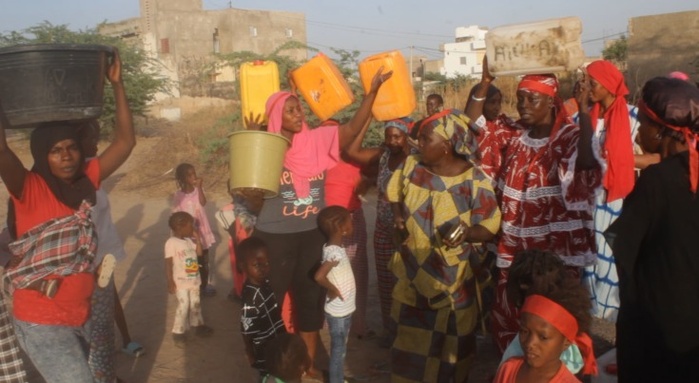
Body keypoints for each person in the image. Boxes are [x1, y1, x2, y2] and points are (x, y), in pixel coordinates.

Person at [243, 66, 392, 378]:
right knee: (271, 307)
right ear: (276, 116)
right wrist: (253, 188)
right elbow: (256, 204)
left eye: (299, 108)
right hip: (275, 237)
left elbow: (351, 129)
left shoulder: (317, 140)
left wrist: (372, 92)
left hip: (311, 235)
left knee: (310, 302)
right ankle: (272, 370)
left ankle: (305, 367)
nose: (299, 114)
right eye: (291, 110)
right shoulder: (264, 147)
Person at [0, 48, 135, 383]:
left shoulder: (85, 181)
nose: (66, 157)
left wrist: (116, 85)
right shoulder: (28, 189)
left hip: (81, 312)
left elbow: (125, 142)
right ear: (41, 155)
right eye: (55, 151)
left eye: (71, 147)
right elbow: (1, 150)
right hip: (41, 320)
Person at [470, 63, 601, 353]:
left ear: (552, 102)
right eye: (520, 99)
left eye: (532, 99)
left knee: (551, 317)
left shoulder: (568, 137)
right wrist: (485, 81)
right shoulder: (514, 134)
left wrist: (583, 110)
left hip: (555, 251)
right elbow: (472, 125)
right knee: (510, 311)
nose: (523, 105)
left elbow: (588, 166)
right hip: (515, 246)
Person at [387, 109, 501, 382]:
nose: (419, 144)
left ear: (447, 146)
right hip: (412, 278)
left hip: (453, 282)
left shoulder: (474, 181)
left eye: (426, 139)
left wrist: (468, 232)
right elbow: (394, 194)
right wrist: (398, 216)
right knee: (409, 353)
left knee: (451, 356)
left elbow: (489, 227)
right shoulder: (412, 166)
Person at [605, 77, 699, 382]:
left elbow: (622, 243)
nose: (638, 131)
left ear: (659, 130)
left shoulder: (656, 182)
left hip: (657, 324)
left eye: (642, 122)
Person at [577, 60, 658, 322]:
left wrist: (621, 160)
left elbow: (657, 157)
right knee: (592, 253)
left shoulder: (635, 118)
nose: (588, 88)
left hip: (620, 198)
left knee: (614, 254)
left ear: (609, 85)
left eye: (593, 83)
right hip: (590, 198)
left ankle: (614, 309)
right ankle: (596, 306)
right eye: (586, 82)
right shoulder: (586, 118)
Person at [342, 116, 414, 347]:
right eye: (388, 136)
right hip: (383, 228)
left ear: (406, 136)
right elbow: (352, 150)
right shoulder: (383, 155)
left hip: (408, 230)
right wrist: (366, 119)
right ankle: (390, 332)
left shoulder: (415, 159)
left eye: (397, 136)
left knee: (409, 280)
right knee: (385, 282)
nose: (392, 141)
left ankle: (409, 333)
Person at [493, 287, 597, 383]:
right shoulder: (508, 369)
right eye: (524, 331)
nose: (530, 343)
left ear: (566, 342)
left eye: (543, 337)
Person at [324, 156, 370, 339]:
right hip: (333, 219)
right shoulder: (324, 161)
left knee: (349, 271)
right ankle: (351, 323)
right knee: (343, 271)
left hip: (345, 219)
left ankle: (355, 322)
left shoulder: (354, 161)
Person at [314, 206, 356, 383]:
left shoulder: (334, 248)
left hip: (344, 309)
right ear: (342, 228)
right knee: (338, 352)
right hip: (339, 313)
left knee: (341, 348)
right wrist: (332, 289)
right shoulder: (335, 253)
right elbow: (319, 276)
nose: (352, 223)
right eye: (349, 220)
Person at [165, 211, 214, 348]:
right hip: (180, 281)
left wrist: (197, 239)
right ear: (180, 227)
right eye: (190, 226)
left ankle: (197, 324)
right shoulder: (171, 242)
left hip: (194, 280)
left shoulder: (187, 241)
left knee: (196, 303)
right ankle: (178, 331)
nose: (193, 229)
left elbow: (199, 254)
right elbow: (168, 264)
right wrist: (170, 281)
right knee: (184, 304)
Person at [238, 237, 286, 378]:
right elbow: (246, 329)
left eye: (266, 263)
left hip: (277, 339)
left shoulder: (264, 282)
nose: (263, 268)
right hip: (264, 347)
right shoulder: (251, 298)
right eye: (257, 265)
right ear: (242, 266)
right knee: (268, 374)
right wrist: (250, 351)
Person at [172, 162, 216, 297]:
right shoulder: (178, 195)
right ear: (182, 179)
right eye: (189, 175)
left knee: (204, 260)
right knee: (191, 260)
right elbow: (176, 214)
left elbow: (203, 202)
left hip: (201, 232)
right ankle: (194, 286)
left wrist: (200, 188)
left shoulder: (198, 191)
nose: (194, 177)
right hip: (187, 234)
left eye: (194, 174)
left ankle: (203, 285)